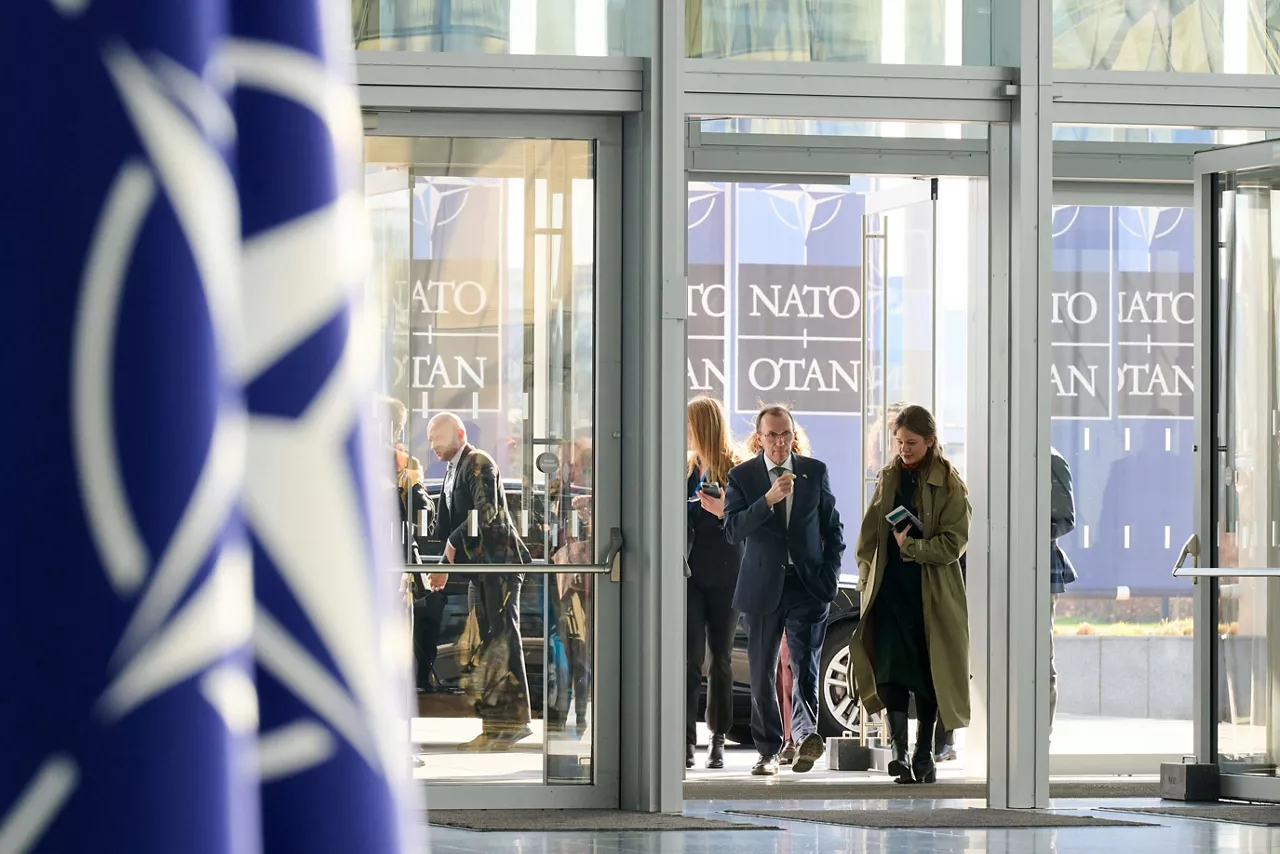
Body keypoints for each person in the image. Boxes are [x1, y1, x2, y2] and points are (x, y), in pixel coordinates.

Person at [849, 404, 970, 785]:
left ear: (931, 441)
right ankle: (899, 752)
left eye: (912, 442)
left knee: (930, 673)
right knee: (889, 668)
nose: (904, 449)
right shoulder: (888, 477)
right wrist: (865, 575)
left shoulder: (951, 484)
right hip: (889, 592)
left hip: (930, 595)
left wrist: (912, 547)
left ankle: (924, 752)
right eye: (899, 442)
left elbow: (954, 544)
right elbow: (869, 535)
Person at [724, 404, 845, 777]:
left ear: (794, 436)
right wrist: (768, 500)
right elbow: (733, 529)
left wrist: (830, 576)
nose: (779, 442)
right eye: (772, 435)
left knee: (804, 664)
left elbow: (832, 529)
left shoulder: (814, 471)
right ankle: (768, 751)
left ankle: (806, 735)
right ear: (759, 438)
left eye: (785, 434)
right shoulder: (741, 477)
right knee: (761, 672)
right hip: (762, 587)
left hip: (808, 585)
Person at [425, 411, 533, 751]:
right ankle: (496, 724)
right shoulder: (454, 467)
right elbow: (452, 525)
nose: (433, 447)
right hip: (483, 569)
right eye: (429, 441)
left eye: (437, 439)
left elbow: (485, 515)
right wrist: (443, 559)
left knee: (502, 638)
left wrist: (450, 549)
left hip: (498, 565)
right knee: (488, 643)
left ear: (458, 433)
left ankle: (516, 721)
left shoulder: (477, 462)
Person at [684, 397, 745, 770]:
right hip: (690, 572)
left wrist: (723, 510)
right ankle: (684, 739)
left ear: (702, 426)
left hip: (727, 572)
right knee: (689, 658)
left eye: (689, 424)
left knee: (721, 659)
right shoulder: (686, 467)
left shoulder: (737, 470)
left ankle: (718, 738)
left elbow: (748, 523)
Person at [1049, 445, 1078, 733]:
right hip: (1002, 568)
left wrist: (1025, 535)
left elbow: (1065, 519)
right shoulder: (998, 452)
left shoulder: (1052, 459)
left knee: (1040, 658)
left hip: (1041, 570)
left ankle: (1040, 740)